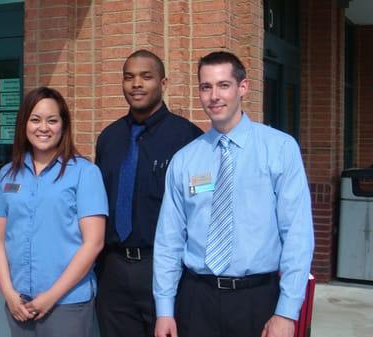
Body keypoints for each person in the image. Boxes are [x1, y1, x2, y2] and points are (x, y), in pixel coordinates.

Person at [153, 51, 315, 337]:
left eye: (223, 85)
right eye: (206, 87)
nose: (214, 96)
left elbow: (297, 235)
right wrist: (165, 309)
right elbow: (169, 240)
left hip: (258, 301)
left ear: (243, 88)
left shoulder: (279, 149)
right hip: (197, 299)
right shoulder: (185, 160)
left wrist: (286, 312)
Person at [95, 49, 203, 337]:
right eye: (129, 77)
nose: (136, 84)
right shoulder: (109, 138)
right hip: (113, 270)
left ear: (163, 83)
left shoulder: (189, 139)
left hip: (165, 270)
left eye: (146, 76)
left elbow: (201, 210)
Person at [0, 86, 108, 337]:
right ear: (23, 124)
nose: (43, 127)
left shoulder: (84, 173)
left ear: (63, 126)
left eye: (52, 120)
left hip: (67, 303)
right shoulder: (7, 174)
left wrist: (51, 296)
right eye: (35, 119)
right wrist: (9, 294)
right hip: (19, 303)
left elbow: (94, 243)